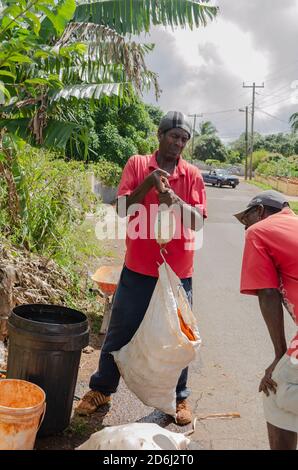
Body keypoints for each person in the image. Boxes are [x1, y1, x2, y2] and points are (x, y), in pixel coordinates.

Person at [76, 111, 207, 425]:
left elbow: (199, 220)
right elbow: (121, 209)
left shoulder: (192, 176)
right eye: (174, 135)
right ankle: (101, 390)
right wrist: (148, 183)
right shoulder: (137, 165)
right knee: (120, 330)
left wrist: (174, 200)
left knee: (180, 335)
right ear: (160, 135)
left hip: (177, 273)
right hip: (139, 268)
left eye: (184, 138)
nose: (178, 142)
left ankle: (179, 399)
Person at [234, 190, 298, 450]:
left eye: (245, 219)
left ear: (259, 211)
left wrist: (279, 356)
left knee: (276, 388)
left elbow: (268, 293)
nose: (245, 228)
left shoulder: (259, 231)